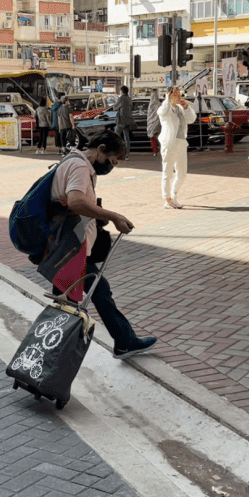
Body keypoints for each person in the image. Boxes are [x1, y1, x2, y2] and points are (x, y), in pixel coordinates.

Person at [37, 130, 157, 359]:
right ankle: (45, 363)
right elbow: (76, 201)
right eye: (111, 161)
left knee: (92, 292)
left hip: (71, 248)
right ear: (100, 149)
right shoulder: (81, 167)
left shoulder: (75, 161)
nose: (110, 167)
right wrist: (112, 216)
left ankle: (124, 341)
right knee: (68, 308)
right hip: (69, 251)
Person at [157, 86, 196, 209]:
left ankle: (173, 194)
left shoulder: (180, 108)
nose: (178, 97)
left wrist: (186, 107)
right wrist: (168, 100)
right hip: (169, 143)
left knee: (182, 172)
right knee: (167, 172)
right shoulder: (165, 109)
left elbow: (191, 119)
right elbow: (162, 111)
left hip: (181, 142)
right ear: (168, 95)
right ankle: (167, 198)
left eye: (179, 94)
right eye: (175, 94)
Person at [115, 85, 134, 155]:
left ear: (122, 91)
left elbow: (115, 107)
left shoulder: (121, 98)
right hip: (128, 121)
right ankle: (127, 155)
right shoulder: (129, 99)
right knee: (127, 138)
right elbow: (131, 108)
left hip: (121, 121)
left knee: (115, 136)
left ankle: (117, 153)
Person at [146, 89, 161, 156]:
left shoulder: (150, 105)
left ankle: (155, 152)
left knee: (152, 138)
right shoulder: (160, 105)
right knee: (160, 138)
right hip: (159, 123)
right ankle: (162, 151)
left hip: (151, 123)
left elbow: (149, 115)